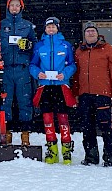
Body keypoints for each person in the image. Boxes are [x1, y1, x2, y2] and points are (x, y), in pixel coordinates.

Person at [72, 21, 112, 167]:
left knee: (106, 127)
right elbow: (76, 75)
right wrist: (76, 93)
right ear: (84, 34)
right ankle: (91, 157)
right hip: (85, 95)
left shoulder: (107, 49)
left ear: (97, 33)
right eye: (88, 31)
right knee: (87, 127)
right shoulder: (79, 51)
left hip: (103, 94)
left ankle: (111, 157)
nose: (90, 33)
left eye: (93, 30)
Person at [29, 17, 76, 164]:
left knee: (63, 118)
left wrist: (65, 74)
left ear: (57, 28)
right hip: (45, 87)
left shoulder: (65, 45)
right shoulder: (39, 46)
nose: (51, 29)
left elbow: (72, 65)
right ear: (45, 28)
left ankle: (66, 150)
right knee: (48, 119)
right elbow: (32, 65)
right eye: (48, 27)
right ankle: (52, 150)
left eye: (53, 27)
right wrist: (38, 73)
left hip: (61, 86)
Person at [0, 0, 37, 146]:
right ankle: (6, 134)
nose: (14, 8)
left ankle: (25, 135)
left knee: (24, 101)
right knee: (6, 101)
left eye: (17, 5)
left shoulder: (28, 26)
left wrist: (28, 45)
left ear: (21, 7)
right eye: (12, 5)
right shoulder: (1, 24)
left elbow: (35, 46)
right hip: (7, 68)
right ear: (8, 7)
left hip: (22, 69)